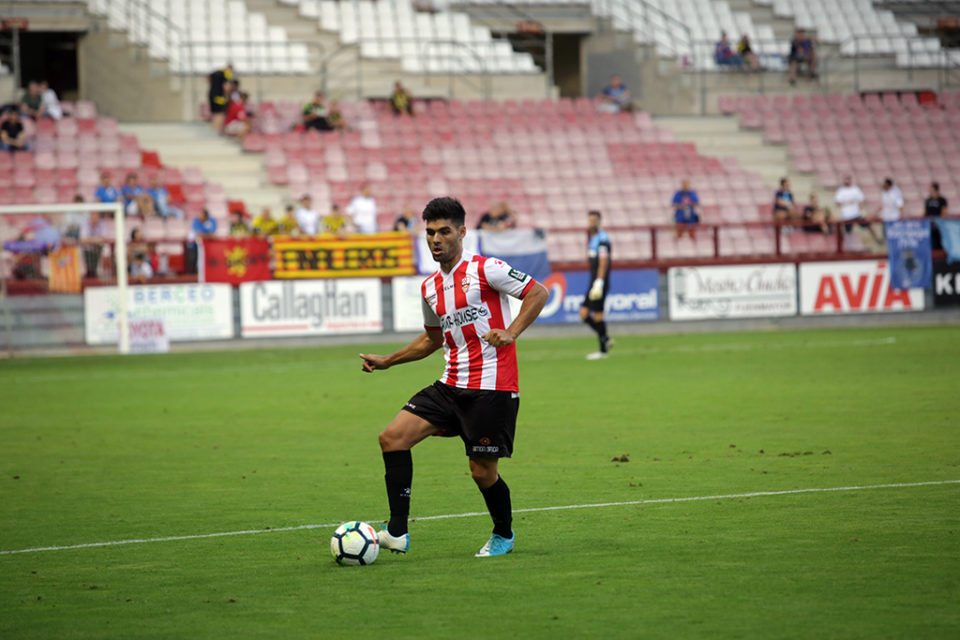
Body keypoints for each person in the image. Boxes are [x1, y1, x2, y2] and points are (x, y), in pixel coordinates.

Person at [359, 196, 548, 558]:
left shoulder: (486, 269)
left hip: (491, 387)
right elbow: (432, 339)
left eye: (444, 231)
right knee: (393, 438)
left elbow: (537, 292)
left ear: (462, 232)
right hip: (450, 385)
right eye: (430, 232)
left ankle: (503, 534)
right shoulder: (429, 287)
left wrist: (511, 331)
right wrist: (388, 360)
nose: (436, 239)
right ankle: (397, 532)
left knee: (481, 472)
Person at [580, 210, 613, 360]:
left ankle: (603, 350)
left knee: (598, 315)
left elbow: (603, 262)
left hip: (600, 283)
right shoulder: (592, 239)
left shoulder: (603, 239)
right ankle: (605, 338)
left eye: (594, 220)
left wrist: (599, 283)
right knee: (584, 314)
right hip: (593, 283)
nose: (592, 223)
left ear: (599, 221)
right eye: (590, 220)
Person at [835, 175, 879, 242]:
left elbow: (861, 200)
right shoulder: (840, 191)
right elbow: (837, 202)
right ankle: (846, 245)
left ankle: (877, 239)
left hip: (856, 214)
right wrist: (847, 202)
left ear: (850, 180)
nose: (846, 181)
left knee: (868, 225)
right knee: (847, 231)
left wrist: (860, 207)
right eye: (845, 180)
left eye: (847, 180)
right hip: (846, 215)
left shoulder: (855, 189)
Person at [79, 210, 109, 278]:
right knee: (82, 250)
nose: (94, 217)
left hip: (99, 248)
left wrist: (91, 240)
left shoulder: (102, 223)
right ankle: (87, 273)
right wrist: (96, 239)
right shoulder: (85, 223)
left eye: (96, 215)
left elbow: (104, 238)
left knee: (107, 249)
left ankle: (105, 274)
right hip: (87, 249)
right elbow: (83, 239)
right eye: (93, 215)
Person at [187, 208, 218, 273]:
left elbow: (214, 234)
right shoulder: (196, 220)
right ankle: (192, 274)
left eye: (201, 215)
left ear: (206, 216)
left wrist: (206, 236)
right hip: (194, 245)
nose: (199, 216)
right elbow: (198, 234)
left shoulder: (212, 220)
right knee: (193, 259)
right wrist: (209, 236)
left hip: (207, 245)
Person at [208, 63, 234, 132]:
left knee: (215, 112)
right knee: (221, 112)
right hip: (219, 96)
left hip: (211, 95)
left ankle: (214, 128)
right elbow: (226, 86)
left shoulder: (216, 72)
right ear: (230, 68)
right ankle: (218, 129)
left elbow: (207, 78)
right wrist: (228, 95)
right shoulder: (227, 73)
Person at [924, 182, 948, 250]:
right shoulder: (927, 200)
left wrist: (939, 222)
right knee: (931, 241)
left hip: (938, 224)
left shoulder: (942, 200)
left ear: (936, 190)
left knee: (939, 241)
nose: (930, 191)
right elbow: (925, 212)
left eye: (931, 189)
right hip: (929, 224)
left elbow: (944, 212)